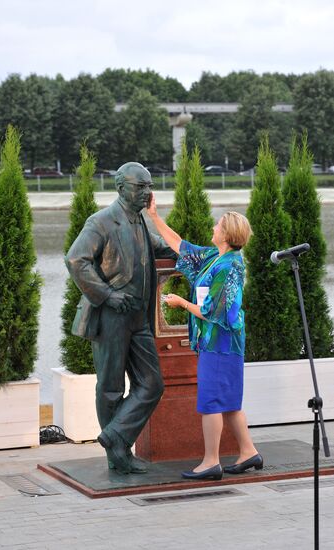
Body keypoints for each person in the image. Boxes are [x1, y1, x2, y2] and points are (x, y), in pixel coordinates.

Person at [65, 162, 176, 475]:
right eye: (140, 186)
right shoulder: (101, 221)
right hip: (110, 314)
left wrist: (195, 253)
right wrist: (107, 294)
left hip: (138, 317)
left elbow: (160, 247)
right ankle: (119, 455)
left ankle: (114, 436)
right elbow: (76, 260)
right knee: (111, 387)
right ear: (121, 187)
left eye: (149, 186)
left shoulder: (139, 220)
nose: (147, 192)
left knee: (152, 383)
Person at [147, 196, 263, 480]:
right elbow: (181, 247)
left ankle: (211, 462)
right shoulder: (216, 258)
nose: (214, 226)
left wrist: (181, 303)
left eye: (219, 225)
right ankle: (248, 452)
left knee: (212, 402)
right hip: (222, 345)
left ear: (227, 235)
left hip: (220, 345)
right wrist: (154, 216)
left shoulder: (229, 267)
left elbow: (214, 312)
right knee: (229, 402)